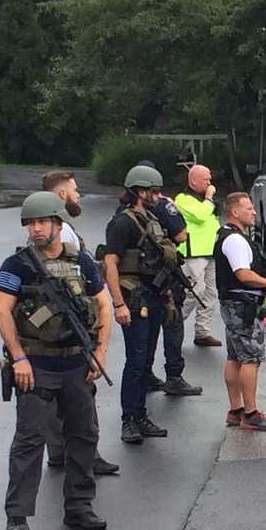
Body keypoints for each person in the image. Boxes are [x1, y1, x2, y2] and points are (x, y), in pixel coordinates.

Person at [0, 192, 111, 530]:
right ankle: (17, 514)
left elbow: (103, 306)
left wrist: (100, 353)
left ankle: (79, 506)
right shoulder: (16, 265)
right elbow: (1, 311)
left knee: (84, 435)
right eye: (31, 223)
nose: (36, 228)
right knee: (30, 441)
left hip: (77, 363)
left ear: (59, 223)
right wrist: (18, 358)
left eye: (42, 221)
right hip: (36, 365)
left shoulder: (82, 263)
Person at [41, 170, 120, 476]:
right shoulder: (65, 235)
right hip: (71, 329)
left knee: (52, 400)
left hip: (53, 331)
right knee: (82, 400)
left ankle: (59, 451)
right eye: (75, 190)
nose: (79, 196)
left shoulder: (47, 229)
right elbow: (83, 288)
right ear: (61, 195)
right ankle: (87, 455)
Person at [102, 164, 179, 444]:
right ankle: (129, 420)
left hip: (155, 297)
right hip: (134, 301)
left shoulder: (150, 219)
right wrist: (119, 304)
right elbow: (110, 264)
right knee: (135, 362)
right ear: (139, 191)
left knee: (146, 360)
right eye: (154, 191)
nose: (158, 197)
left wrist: (168, 293)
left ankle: (141, 415)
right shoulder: (122, 223)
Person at [215, 192, 266, 431]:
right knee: (250, 359)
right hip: (242, 307)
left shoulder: (226, 235)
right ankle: (251, 413)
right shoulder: (235, 240)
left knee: (234, 357)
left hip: (232, 305)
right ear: (235, 212)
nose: (254, 212)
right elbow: (242, 273)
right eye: (249, 208)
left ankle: (235, 410)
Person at [136, 161, 203, 397]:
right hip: (166, 277)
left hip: (139, 280)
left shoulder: (125, 211)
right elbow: (181, 235)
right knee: (173, 324)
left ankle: (145, 373)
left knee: (148, 329)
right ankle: (174, 376)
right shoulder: (164, 205)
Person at [174, 165, 223, 347]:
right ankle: (175, 322)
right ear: (193, 180)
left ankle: (203, 332)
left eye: (210, 179)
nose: (209, 183)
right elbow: (200, 216)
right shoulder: (183, 199)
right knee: (196, 292)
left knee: (210, 293)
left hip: (210, 253)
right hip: (193, 255)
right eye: (205, 180)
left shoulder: (204, 201)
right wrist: (209, 198)